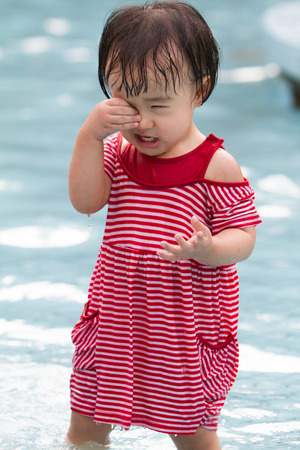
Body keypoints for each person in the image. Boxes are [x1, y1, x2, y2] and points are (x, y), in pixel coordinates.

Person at [66, 2, 262, 449]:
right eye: (126, 104)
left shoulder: (216, 166)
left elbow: (245, 238)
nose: (143, 121)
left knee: (193, 434)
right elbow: (85, 202)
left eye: (158, 104)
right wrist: (89, 135)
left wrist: (207, 248)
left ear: (199, 91)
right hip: (118, 320)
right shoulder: (116, 151)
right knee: (85, 428)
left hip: (182, 330)